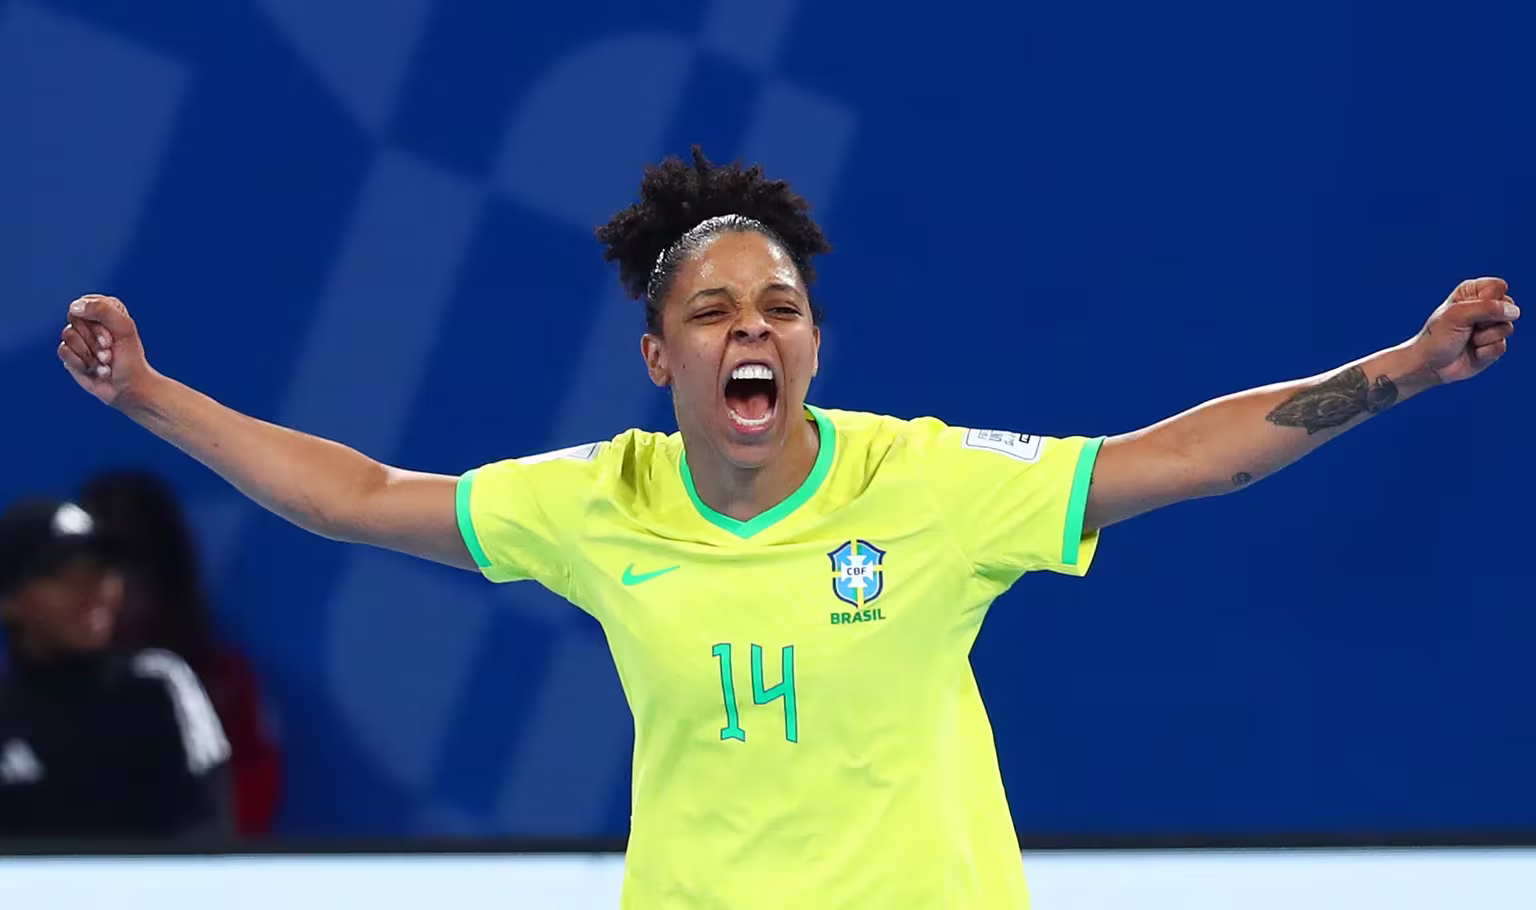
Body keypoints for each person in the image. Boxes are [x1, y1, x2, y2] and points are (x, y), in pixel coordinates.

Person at [54, 148, 1516, 906]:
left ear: (812, 343)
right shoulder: (598, 500)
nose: (752, 327)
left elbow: (1187, 459)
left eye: (781, 308)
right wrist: (155, 397)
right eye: (715, 311)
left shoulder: (932, 481)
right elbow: (357, 496)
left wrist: (1395, 370)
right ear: (660, 357)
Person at [0, 497, 232, 841]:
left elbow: (207, 836)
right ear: (9, 599)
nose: (93, 591)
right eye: (63, 576)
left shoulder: (159, 685)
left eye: (102, 570)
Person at [79, 468, 283, 837]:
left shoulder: (224, 682)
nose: (113, 591)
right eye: (96, 570)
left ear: (166, 574)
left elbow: (254, 791)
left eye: (131, 568)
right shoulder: (33, 690)